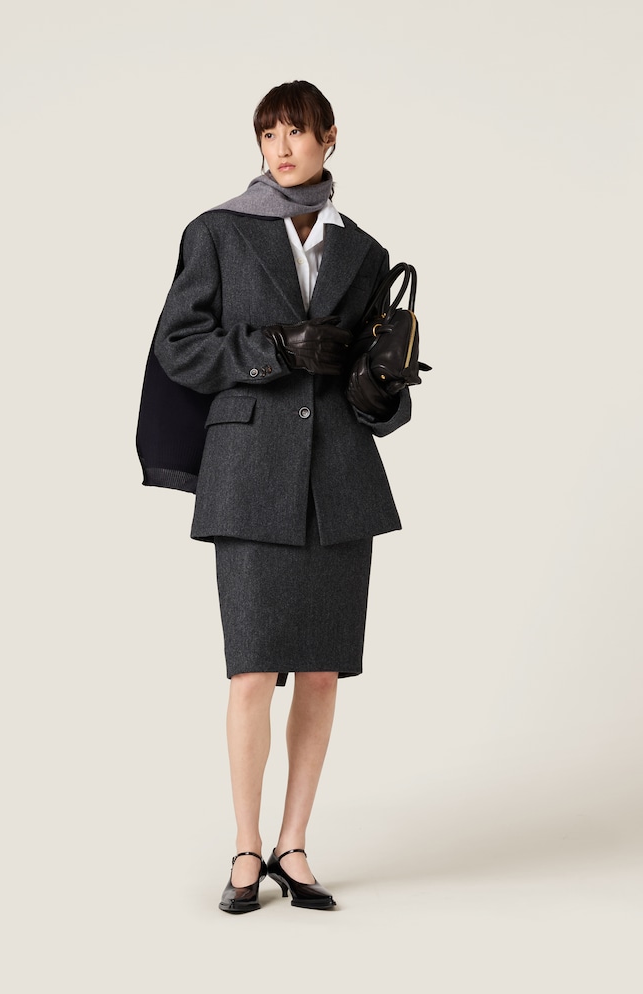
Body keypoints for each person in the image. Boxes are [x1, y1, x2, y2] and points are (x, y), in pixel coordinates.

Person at [137, 80, 418, 912]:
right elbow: (179, 345)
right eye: (269, 134)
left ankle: (293, 846)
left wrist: (384, 383)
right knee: (253, 671)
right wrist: (271, 348)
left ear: (330, 137)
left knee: (323, 674)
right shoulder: (217, 232)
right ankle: (245, 848)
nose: (282, 148)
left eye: (296, 132)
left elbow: (382, 403)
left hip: (339, 480)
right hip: (249, 473)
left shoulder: (365, 252)